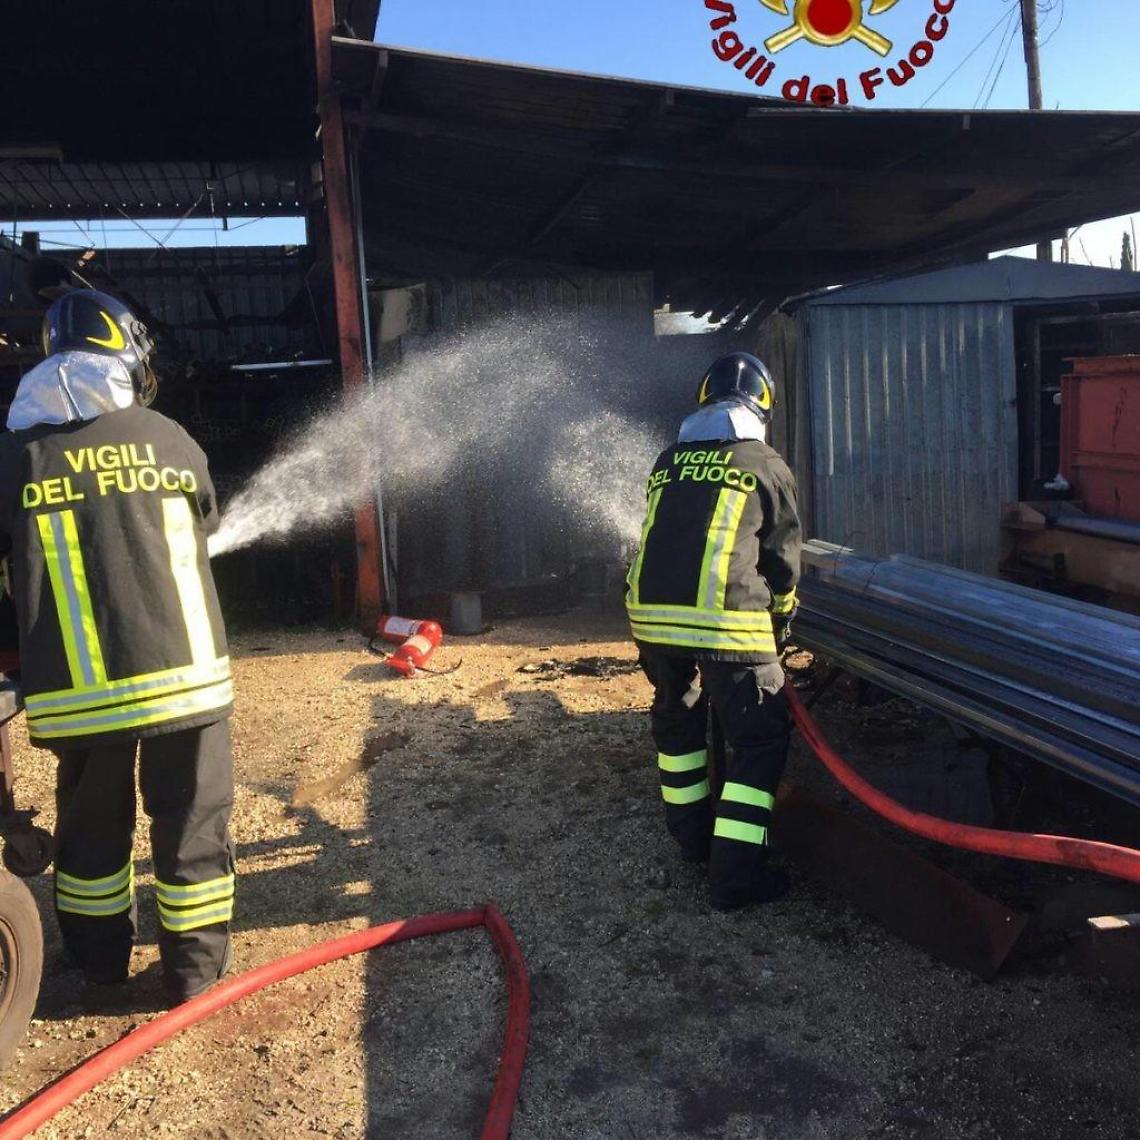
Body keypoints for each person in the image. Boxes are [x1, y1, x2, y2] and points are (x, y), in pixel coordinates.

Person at [0, 288, 235, 1004]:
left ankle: (99, 965)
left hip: (79, 693)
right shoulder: (170, 439)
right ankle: (192, 976)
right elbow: (206, 521)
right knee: (192, 822)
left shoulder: (16, 457)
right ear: (126, 355)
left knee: (91, 833)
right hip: (186, 679)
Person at [626, 351, 801, 911]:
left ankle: (693, 843)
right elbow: (782, 560)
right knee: (757, 741)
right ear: (762, 406)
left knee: (679, 731)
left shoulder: (667, 461)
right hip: (728, 622)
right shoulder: (765, 463)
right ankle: (735, 880)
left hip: (653, 621)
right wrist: (781, 621)